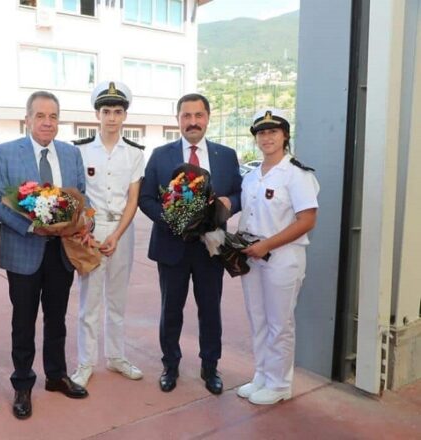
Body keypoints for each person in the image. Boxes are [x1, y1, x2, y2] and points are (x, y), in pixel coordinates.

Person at [0, 90, 89, 420]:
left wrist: (82, 222)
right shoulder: (6, 153)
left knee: (57, 317)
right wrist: (31, 228)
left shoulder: (71, 154)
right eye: (41, 116)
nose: (47, 122)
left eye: (53, 116)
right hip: (24, 250)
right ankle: (22, 384)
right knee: (24, 320)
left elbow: (82, 199)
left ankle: (56, 375)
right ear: (27, 118)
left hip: (62, 252)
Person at [138, 93, 242, 395]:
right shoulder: (160, 155)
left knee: (210, 309)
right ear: (178, 120)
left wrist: (228, 204)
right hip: (172, 247)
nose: (193, 121)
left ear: (208, 118)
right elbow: (146, 199)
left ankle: (210, 367)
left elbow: (237, 193)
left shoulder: (226, 155)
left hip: (211, 246)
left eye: (198, 115)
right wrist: (172, 218)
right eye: (186, 115)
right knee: (171, 309)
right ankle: (170, 365)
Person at [236, 109, 319, 405]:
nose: (266, 137)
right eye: (261, 133)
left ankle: (280, 383)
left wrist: (267, 244)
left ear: (285, 135)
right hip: (252, 256)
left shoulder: (297, 174)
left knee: (279, 323)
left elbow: (307, 220)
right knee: (257, 319)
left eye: (273, 131)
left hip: (283, 257)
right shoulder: (252, 176)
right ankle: (262, 374)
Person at [70, 81, 145, 387]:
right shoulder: (81, 150)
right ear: (96, 114)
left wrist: (116, 234)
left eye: (117, 111)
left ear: (125, 115)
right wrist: (88, 230)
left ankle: (116, 357)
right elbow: (76, 193)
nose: (112, 117)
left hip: (121, 230)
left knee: (117, 299)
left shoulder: (135, 154)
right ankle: (86, 362)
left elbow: (133, 198)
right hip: (90, 230)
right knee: (90, 302)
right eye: (106, 111)